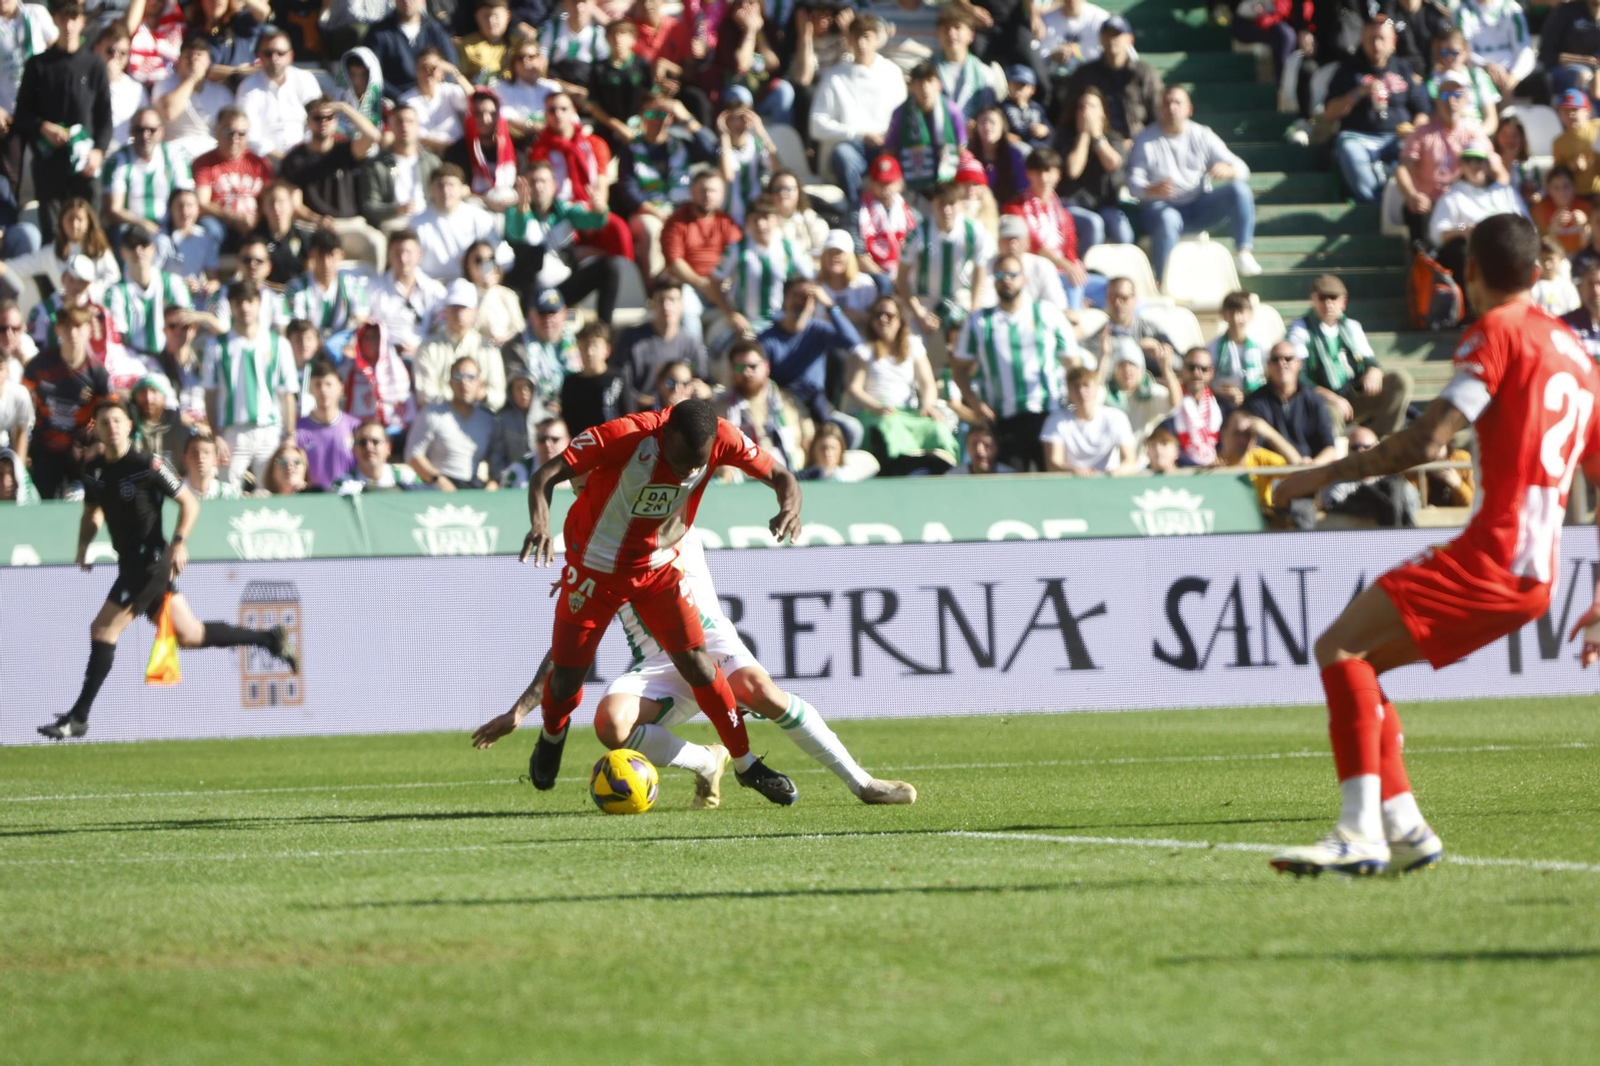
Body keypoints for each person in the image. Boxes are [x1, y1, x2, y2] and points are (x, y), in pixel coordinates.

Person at [1269, 213, 1600, 876]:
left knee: (1338, 648)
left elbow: (1429, 441)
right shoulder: (1577, 355)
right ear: (1537, 274)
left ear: (1470, 272)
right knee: (1361, 666)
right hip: (1538, 578)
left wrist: (1320, 476)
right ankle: (1406, 828)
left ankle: (1358, 832)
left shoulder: (1498, 333)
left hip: (1492, 554)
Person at [471, 526, 916, 807]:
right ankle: (707, 761)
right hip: (658, 663)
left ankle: (863, 784)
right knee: (610, 724)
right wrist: (521, 710)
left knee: (763, 692)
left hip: (712, 644)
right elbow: (570, 646)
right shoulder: (596, 555)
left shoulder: (669, 515)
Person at [516, 399, 802, 802]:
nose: (687, 471)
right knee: (565, 678)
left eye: (696, 465)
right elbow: (544, 475)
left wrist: (788, 505)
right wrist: (541, 524)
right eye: (682, 460)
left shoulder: (721, 436)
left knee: (699, 664)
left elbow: (781, 475)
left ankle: (746, 763)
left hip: (653, 571)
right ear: (665, 434)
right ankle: (552, 734)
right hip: (594, 572)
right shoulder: (624, 436)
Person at [36, 394, 298, 740]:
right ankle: (269, 639)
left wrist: (178, 543)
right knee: (190, 636)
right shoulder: (95, 472)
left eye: (118, 420)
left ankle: (78, 718)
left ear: (130, 426)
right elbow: (92, 512)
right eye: (104, 422)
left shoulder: (149, 464)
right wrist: (83, 547)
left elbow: (188, 503)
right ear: (96, 429)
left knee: (103, 630)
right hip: (129, 562)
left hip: (150, 563)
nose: (111, 427)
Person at [952, 253, 1078, 471]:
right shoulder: (979, 321)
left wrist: (1073, 406)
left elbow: (1073, 364)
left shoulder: (1048, 313)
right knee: (1011, 488)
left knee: (1051, 484)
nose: (1006, 279)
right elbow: (959, 369)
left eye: (1012, 274)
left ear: (1024, 279)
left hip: (1046, 415)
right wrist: (976, 405)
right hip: (1004, 419)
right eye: (1000, 274)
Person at [1127, 85, 1259, 282]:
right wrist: (1151, 189)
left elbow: (1242, 169)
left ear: (1189, 109)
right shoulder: (1145, 139)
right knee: (1168, 219)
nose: (1172, 107)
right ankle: (1164, 281)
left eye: (1177, 102)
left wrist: (1229, 170)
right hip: (1159, 209)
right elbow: (1133, 185)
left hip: (1198, 205)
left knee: (1239, 190)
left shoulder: (1202, 134)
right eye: (1167, 103)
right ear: (1160, 109)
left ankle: (1243, 252)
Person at [15, 2, 110, 242]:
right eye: (63, 18)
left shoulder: (95, 65)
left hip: (85, 161)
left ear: (82, 21)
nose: (68, 25)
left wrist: (99, 151)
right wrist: (42, 126)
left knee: (90, 232)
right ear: (55, 20)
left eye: (73, 18)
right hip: (50, 161)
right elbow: (22, 114)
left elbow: (104, 117)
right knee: (54, 234)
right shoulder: (38, 65)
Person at [1287, 272, 1415, 437]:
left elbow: (1370, 361)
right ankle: (1333, 455)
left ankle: (1383, 440)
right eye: (1322, 298)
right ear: (1313, 299)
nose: (1327, 304)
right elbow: (1298, 377)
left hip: (1353, 395)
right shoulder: (1300, 328)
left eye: (1333, 298)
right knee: (1330, 412)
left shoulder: (1351, 327)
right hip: (1321, 400)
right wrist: (1332, 398)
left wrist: (1373, 370)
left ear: (1343, 302)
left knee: (1400, 380)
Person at [843, 295, 957, 474]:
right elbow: (854, 388)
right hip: (876, 413)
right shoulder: (863, 350)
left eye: (889, 315)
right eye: (878, 315)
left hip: (907, 413)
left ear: (900, 320)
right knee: (889, 428)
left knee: (936, 428)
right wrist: (877, 407)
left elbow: (927, 383)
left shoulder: (914, 346)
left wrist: (927, 405)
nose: (883, 319)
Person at [1325, 16, 1431, 206]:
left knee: (1420, 149)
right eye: (1371, 39)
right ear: (1362, 41)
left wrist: (1414, 132)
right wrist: (1358, 93)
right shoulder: (1348, 69)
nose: (1376, 44)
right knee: (1348, 150)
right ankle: (1374, 204)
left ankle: (1406, 202)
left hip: (1397, 137)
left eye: (1382, 39)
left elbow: (1422, 110)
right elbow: (1329, 114)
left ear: (1393, 43)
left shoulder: (1403, 68)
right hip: (1359, 137)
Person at [202, 280, 298, 487]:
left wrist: (289, 435)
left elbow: (286, 394)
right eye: (238, 302)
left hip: (270, 430)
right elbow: (210, 394)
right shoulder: (216, 346)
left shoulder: (278, 344)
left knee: (272, 491)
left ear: (259, 304)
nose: (244, 307)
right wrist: (216, 434)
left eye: (249, 301)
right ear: (230, 306)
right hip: (232, 432)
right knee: (228, 493)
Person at [809, 15, 907, 209]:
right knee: (843, 155)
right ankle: (857, 211)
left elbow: (904, 116)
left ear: (877, 39)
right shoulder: (834, 76)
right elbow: (816, 125)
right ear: (849, 40)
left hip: (887, 147)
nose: (861, 43)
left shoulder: (892, 72)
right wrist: (858, 134)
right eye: (856, 37)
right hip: (853, 148)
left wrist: (890, 138)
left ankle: (897, 214)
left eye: (866, 37)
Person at [616, 95, 718, 280]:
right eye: (650, 113)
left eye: (662, 114)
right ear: (641, 116)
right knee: (652, 229)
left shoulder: (681, 145)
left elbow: (713, 153)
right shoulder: (631, 150)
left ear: (671, 117)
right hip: (649, 211)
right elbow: (627, 191)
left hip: (682, 207)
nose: (656, 119)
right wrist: (659, 214)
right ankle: (657, 288)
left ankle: (694, 285)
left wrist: (686, 117)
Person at [759, 277, 864, 448]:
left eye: (806, 297)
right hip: (785, 403)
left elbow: (852, 341)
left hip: (818, 404)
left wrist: (830, 306)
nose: (801, 302)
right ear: (785, 299)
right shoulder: (768, 339)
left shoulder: (817, 329)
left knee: (852, 430)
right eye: (795, 295)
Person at [899, 181, 993, 366]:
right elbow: (901, 278)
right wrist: (918, 313)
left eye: (952, 203)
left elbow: (979, 273)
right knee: (912, 346)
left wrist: (973, 311)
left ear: (960, 204)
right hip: (923, 300)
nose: (947, 210)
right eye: (941, 204)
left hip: (959, 298)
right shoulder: (918, 234)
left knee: (980, 335)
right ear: (933, 204)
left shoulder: (974, 232)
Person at [1396, 73, 1497, 244]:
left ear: (1465, 99)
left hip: (1462, 204)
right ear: (1437, 101)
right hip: (1428, 202)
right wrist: (1412, 195)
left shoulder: (1474, 133)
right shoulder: (1421, 133)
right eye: (1445, 95)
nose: (1451, 101)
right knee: (1416, 212)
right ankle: (1422, 262)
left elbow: (1496, 169)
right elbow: (1403, 169)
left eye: (1457, 95)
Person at [21, 306, 110, 498]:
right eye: (66, 326)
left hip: (82, 452)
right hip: (44, 448)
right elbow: (22, 398)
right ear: (57, 330)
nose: (72, 333)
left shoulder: (97, 373)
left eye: (78, 326)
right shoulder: (40, 365)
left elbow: (109, 413)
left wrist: (97, 443)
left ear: (89, 329)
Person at [1426, 143, 1528, 302]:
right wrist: (1463, 229)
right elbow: (1438, 232)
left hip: (1506, 247)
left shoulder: (1505, 192)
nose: (1475, 165)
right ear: (1461, 165)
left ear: (1487, 164)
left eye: (1479, 160)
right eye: (1469, 161)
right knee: (1457, 249)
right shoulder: (1453, 196)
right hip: (1472, 249)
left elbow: (1527, 224)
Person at [661, 168, 744, 344]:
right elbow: (675, 262)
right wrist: (701, 283)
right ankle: (695, 361)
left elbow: (738, 253)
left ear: (722, 195)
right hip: (689, 285)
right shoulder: (676, 222)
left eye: (713, 190)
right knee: (688, 312)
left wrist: (722, 280)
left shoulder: (727, 222)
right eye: (703, 190)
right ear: (692, 192)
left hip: (721, 284)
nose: (708, 195)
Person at [0, 0, 57, 248]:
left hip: (42, 114)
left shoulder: (36, 14)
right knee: (9, 179)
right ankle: (10, 239)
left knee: (48, 175)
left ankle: (52, 238)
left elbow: (59, 52)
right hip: (9, 114)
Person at [1003, 147, 1089, 307]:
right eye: (1038, 172)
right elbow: (1032, 244)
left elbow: (1070, 251)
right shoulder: (1015, 208)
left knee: (1108, 287)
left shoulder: (1063, 215)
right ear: (1029, 174)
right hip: (1034, 273)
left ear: (1058, 174)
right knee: (1074, 284)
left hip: (1065, 274)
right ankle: (1073, 322)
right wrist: (1065, 266)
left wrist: (1074, 268)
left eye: (1049, 171)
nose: (1043, 178)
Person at [1241, 339, 1340, 467]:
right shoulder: (1254, 402)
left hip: (1313, 471)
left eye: (1288, 358)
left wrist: (1312, 466)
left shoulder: (1314, 399)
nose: (1282, 363)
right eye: (1275, 359)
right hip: (1272, 473)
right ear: (1268, 365)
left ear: (1298, 364)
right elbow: (1255, 450)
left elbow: (1329, 447)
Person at [1065, 16, 1163, 143]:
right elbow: (1069, 117)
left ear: (1130, 40)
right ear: (1100, 39)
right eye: (1107, 34)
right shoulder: (1085, 74)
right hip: (1096, 145)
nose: (1112, 39)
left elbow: (1157, 118)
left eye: (1117, 35)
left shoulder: (1145, 74)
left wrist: (1139, 143)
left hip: (1138, 144)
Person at [406, 352, 496, 489]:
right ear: (449, 382)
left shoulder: (488, 420)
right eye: (458, 376)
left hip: (473, 488)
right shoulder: (432, 413)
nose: (464, 382)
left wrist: (493, 484)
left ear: (480, 383)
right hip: (436, 487)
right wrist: (437, 479)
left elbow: (498, 460)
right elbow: (413, 455)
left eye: (471, 377)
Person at [414, 277, 506, 411]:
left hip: (480, 417)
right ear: (445, 311)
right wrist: (464, 397)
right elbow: (425, 395)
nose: (458, 313)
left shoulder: (488, 350)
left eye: (464, 307)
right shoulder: (428, 347)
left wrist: (482, 395)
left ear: (475, 312)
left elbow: (498, 397)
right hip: (441, 417)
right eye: (454, 307)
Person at [233, 27, 322, 162]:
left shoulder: (306, 80)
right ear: (259, 56)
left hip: (307, 156)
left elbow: (318, 120)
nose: (274, 58)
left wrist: (304, 154)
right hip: (265, 162)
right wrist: (284, 159)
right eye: (268, 53)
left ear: (290, 56)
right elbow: (249, 135)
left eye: (280, 53)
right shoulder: (247, 87)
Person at [106, 226, 195, 361]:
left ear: (153, 249)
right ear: (122, 253)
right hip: (132, 362)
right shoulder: (115, 292)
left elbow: (185, 326)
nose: (138, 250)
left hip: (170, 360)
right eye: (132, 246)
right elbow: (119, 339)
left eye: (144, 244)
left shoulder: (174, 283)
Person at [413, 163, 514, 282]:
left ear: (462, 189)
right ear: (430, 189)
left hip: (472, 284)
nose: (446, 190)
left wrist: (484, 275)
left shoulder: (480, 217)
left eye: (451, 185)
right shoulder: (415, 223)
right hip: (430, 286)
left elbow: (504, 257)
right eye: (440, 185)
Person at [615, 276, 709, 402]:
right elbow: (620, 384)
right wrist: (654, 404)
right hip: (641, 415)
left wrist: (706, 391)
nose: (666, 306)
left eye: (672, 300)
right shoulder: (631, 338)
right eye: (661, 300)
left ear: (682, 305)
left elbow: (702, 380)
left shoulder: (692, 342)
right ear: (652, 304)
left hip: (682, 411)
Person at [1061, 87, 1134, 247]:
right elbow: (1073, 171)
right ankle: (1086, 270)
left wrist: (1097, 136)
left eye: (1092, 106)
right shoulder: (1065, 138)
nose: (1086, 111)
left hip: (1105, 204)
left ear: (1103, 113)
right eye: (1081, 107)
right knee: (1094, 225)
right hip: (1073, 204)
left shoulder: (1113, 138)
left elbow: (1113, 164)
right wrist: (1084, 136)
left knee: (1123, 233)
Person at [191, 107, 273, 252]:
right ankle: (211, 271)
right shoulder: (204, 163)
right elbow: (202, 203)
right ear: (217, 131)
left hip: (253, 222)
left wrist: (256, 218)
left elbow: (270, 199)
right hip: (221, 222)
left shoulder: (260, 164)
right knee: (209, 227)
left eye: (241, 134)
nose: (234, 139)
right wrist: (233, 218)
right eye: (229, 132)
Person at [716, 338, 804, 469]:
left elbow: (807, 444)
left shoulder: (789, 403)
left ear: (767, 366)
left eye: (753, 366)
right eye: (740, 367)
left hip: (789, 475)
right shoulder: (720, 409)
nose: (747, 372)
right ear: (732, 370)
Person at [884, 61, 967, 199]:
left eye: (929, 81)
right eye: (919, 82)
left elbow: (961, 150)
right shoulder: (900, 113)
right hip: (910, 182)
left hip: (947, 180)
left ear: (938, 85)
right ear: (911, 87)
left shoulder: (952, 111)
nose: (925, 87)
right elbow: (889, 152)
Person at [1040, 365, 1136, 475]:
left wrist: (1118, 471)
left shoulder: (1116, 417)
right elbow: (1053, 464)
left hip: (1109, 483)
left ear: (1096, 388)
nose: (1081, 391)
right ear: (1068, 391)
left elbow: (1130, 461)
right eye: (1076, 386)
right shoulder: (1055, 421)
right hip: (1070, 484)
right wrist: (1074, 471)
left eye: (1086, 385)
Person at [359, 104, 440, 234]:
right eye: (399, 121)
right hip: (394, 223)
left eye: (410, 121)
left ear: (418, 126)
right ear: (390, 126)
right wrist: (395, 210)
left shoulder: (431, 162)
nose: (404, 126)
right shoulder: (376, 165)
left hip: (428, 220)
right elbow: (369, 206)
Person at [152, 35, 231, 163]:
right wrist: (192, 78)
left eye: (199, 55)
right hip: (175, 156)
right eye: (188, 56)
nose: (194, 60)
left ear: (208, 62)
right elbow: (169, 112)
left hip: (210, 157)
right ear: (179, 60)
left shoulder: (222, 93)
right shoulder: (165, 85)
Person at [366, 0, 459, 101]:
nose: (407, 1)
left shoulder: (436, 29)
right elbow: (372, 74)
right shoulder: (378, 33)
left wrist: (436, 93)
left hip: (436, 97)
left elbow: (452, 66)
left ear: (423, 1)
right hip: (397, 102)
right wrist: (401, 98)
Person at [1099, 335, 1178, 448]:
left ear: (1141, 370)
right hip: (1112, 463)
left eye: (1132, 364)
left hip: (1142, 462)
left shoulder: (1150, 391)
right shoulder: (1107, 392)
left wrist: (1166, 369)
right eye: (1122, 365)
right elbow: (1092, 395)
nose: (1127, 370)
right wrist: (1104, 357)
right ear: (1114, 371)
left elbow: (1174, 402)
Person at [343, 319, 417, 439]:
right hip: (361, 432)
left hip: (396, 431)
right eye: (366, 338)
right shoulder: (350, 369)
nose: (371, 342)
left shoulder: (398, 368)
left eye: (375, 337)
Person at [295, 357, 360, 490]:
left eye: (328, 384)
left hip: (348, 497)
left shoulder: (355, 427)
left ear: (341, 388)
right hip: (313, 500)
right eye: (318, 384)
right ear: (310, 389)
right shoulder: (298, 430)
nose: (323, 390)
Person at [558, 321, 633, 436]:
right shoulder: (570, 383)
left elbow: (629, 418)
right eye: (584, 346)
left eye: (595, 345)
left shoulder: (618, 379)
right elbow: (568, 421)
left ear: (607, 350)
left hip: (615, 443)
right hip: (582, 447)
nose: (589, 352)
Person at [935, 7, 997, 121]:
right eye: (946, 28)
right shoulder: (928, 70)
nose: (951, 33)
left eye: (957, 28)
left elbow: (988, 112)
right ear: (938, 34)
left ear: (970, 35)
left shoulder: (985, 73)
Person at [1536, 0, 1600, 106]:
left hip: (1596, 70)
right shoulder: (1566, 11)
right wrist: (1584, 61)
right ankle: (1584, 120)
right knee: (1583, 75)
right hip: (1563, 70)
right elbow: (1546, 54)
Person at [1210, 290, 1268, 407]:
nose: (1236, 319)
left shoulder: (1263, 345)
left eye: (1241, 312)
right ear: (1224, 315)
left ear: (1250, 315)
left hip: (1258, 402)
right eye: (1231, 313)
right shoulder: (1213, 347)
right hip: (1224, 404)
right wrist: (1222, 394)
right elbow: (1206, 384)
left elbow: (1270, 376)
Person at [337, 417, 424, 493]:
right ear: (355, 450)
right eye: (362, 442)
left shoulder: (407, 478)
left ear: (388, 448)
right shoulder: (343, 484)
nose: (369, 447)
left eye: (375, 442)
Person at [967, 104, 1028, 204]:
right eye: (983, 122)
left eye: (992, 122)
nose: (987, 126)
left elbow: (1022, 191)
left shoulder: (1014, 155)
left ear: (1002, 126)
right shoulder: (969, 157)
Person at [1530, 166, 1588, 255]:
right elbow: (1541, 248)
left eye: (1566, 186)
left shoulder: (1586, 208)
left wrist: (1584, 228)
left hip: (1581, 258)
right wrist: (1552, 229)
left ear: (1574, 187)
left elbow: (1593, 248)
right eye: (1556, 187)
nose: (1562, 192)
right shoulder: (1539, 210)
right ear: (1548, 189)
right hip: (1555, 261)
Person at [180, 424, 239, 499]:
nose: (200, 458)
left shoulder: (227, 493)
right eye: (194, 453)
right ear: (185, 459)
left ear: (216, 460)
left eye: (206, 452)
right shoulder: (174, 492)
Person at [1561, 258, 1600, 361]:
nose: (1596, 290)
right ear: (1580, 288)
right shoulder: (1565, 325)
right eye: (1590, 284)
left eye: (1599, 283)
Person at [1533, 237, 1580, 316]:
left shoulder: (1567, 287)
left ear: (1560, 259)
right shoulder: (1534, 288)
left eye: (1550, 259)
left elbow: (1575, 312)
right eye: (1543, 259)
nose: (1547, 264)